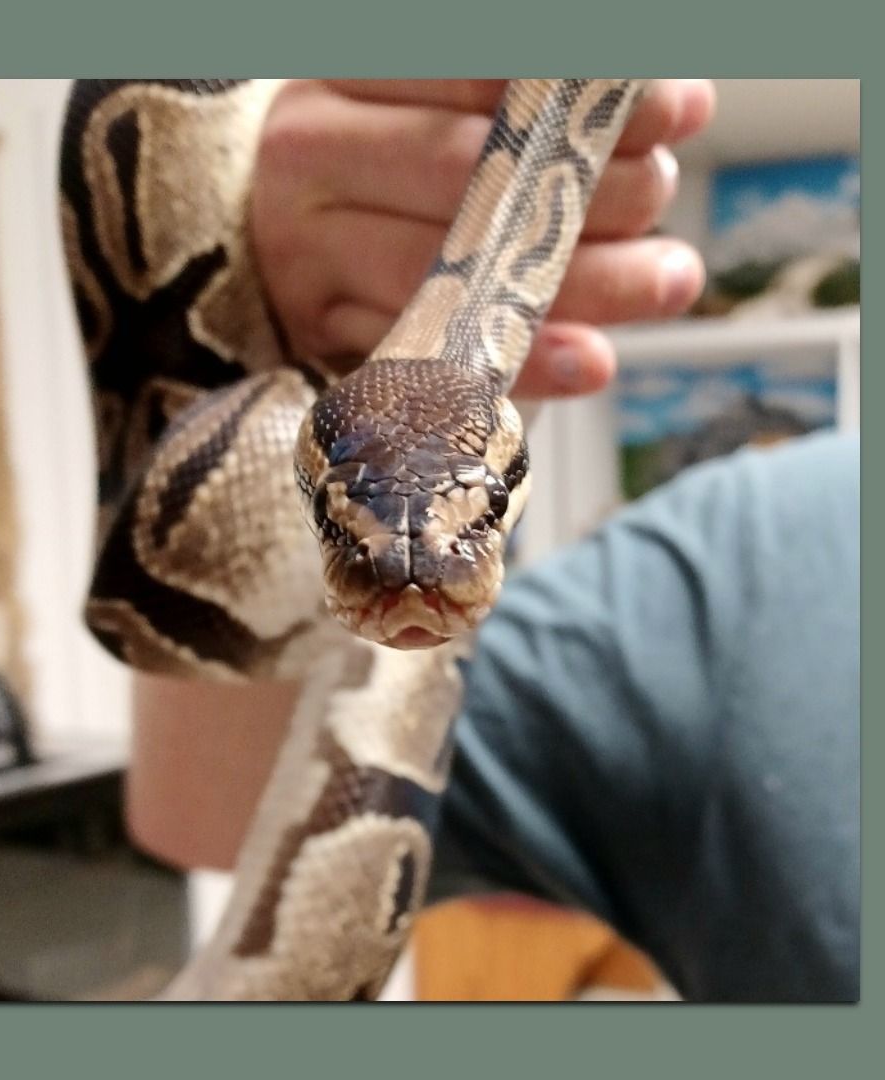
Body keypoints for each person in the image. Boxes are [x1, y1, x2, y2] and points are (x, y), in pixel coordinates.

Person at [126, 79, 858, 1002]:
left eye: (476, 523)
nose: (419, 583)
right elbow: (207, 813)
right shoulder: (747, 553)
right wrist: (244, 345)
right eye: (338, 529)